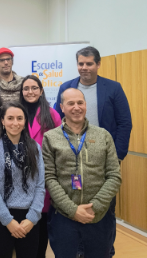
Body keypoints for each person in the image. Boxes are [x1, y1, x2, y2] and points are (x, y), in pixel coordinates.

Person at [54, 46, 131, 257]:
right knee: (73, 206)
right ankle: (78, 249)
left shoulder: (113, 88)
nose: (84, 67)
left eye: (89, 63)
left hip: (101, 159)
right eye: (81, 63)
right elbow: (55, 119)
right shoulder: (66, 87)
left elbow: (125, 123)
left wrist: (118, 156)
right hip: (70, 160)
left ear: (98, 64)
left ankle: (106, 247)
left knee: (105, 208)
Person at [43, 88, 122, 258]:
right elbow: (49, 177)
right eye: (70, 103)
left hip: (99, 217)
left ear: (85, 105)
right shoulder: (50, 137)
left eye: (80, 102)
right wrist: (73, 210)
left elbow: (114, 175)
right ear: (61, 107)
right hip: (63, 217)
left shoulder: (103, 135)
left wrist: (96, 206)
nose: (76, 107)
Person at [0, 102, 45, 258]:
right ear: (2, 121)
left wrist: (32, 218)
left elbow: (40, 185)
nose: (15, 123)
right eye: (10, 118)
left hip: (29, 219)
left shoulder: (34, 147)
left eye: (19, 118)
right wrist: (7, 220)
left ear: (25, 122)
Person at [19, 75, 61, 258]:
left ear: (41, 90)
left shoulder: (52, 114)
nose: (30, 92)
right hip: (19, 176)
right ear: (21, 92)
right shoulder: (15, 112)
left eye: (34, 88)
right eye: (26, 88)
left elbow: (60, 146)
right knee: (22, 224)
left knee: (41, 223)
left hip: (43, 176)